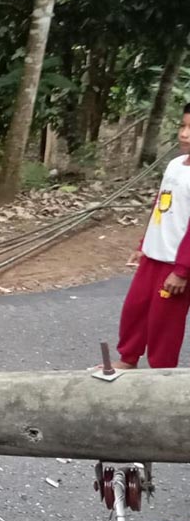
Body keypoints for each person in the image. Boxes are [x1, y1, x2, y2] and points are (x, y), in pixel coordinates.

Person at [107, 103, 190, 370]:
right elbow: (161, 205)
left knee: (164, 322)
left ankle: (162, 374)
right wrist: (144, 244)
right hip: (154, 255)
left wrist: (182, 270)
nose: (185, 134)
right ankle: (127, 359)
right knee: (136, 309)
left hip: (176, 263)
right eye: (183, 126)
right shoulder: (175, 164)